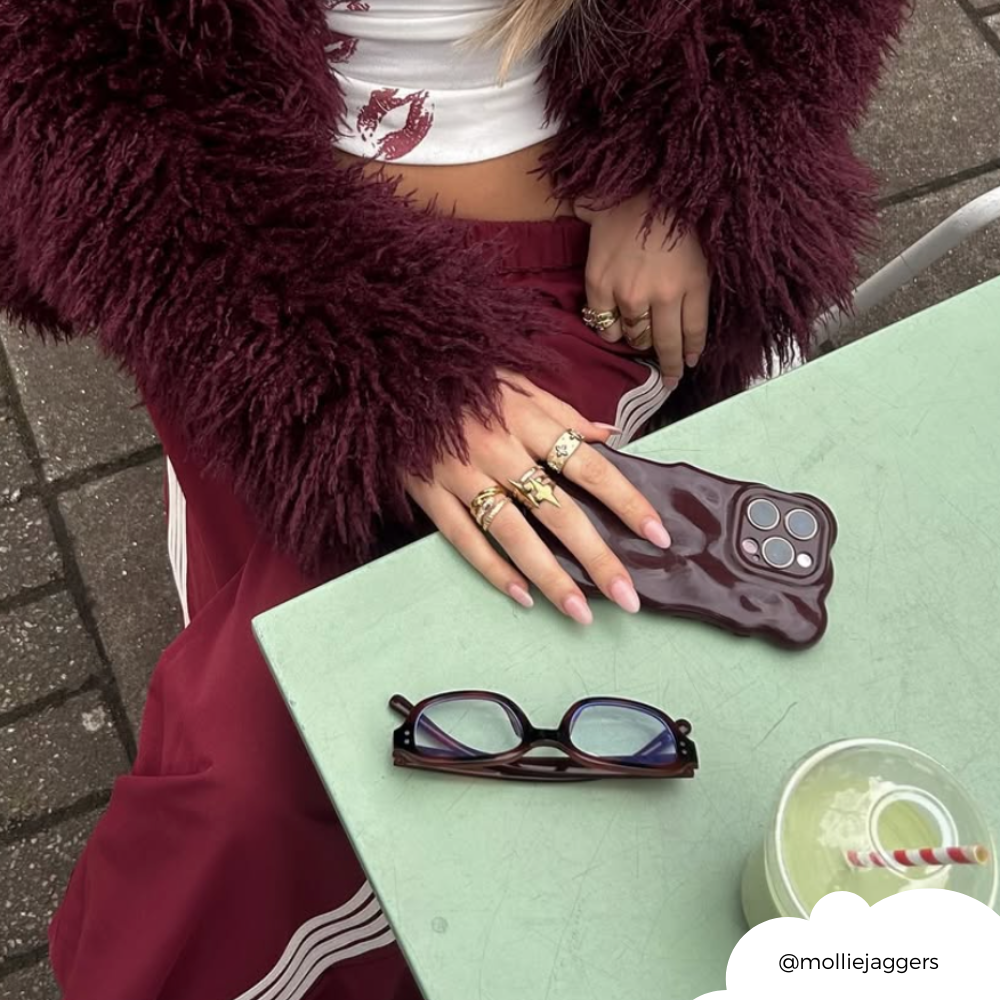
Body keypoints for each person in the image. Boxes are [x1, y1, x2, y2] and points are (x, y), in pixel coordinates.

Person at [0, 0, 909, 996]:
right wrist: (365, 369)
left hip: (579, 279)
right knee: (277, 768)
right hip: (260, 275)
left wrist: (689, 169)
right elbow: (72, 80)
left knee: (302, 761)